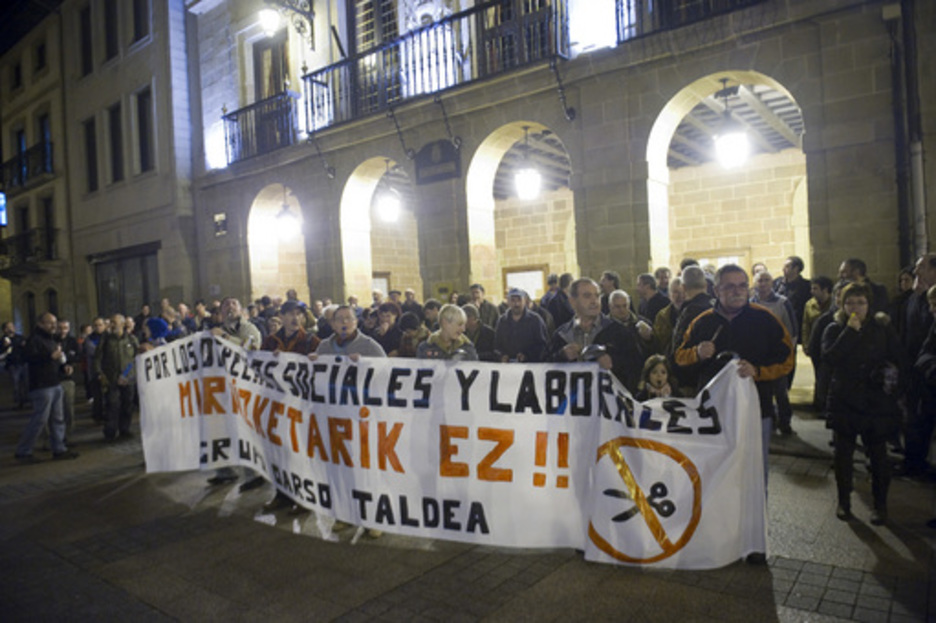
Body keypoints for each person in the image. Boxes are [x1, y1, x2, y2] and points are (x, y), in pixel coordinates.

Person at [674, 264, 794, 532]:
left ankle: (754, 533)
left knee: (753, 473)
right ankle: (718, 531)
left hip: (755, 412)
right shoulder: (702, 321)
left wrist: (759, 372)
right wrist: (696, 354)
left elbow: (787, 359)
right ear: (716, 289)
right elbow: (678, 358)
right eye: (729, 286)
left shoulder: (764, 319)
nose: (737, 291)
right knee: (714, 471)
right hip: (711, 416)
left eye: (742, 285)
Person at [822, 282, 904, 525]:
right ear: (842, 304)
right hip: (844, 399)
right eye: (850, 302)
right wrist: (850, 331)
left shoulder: (882, 328)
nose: (855, 307)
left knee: (879, 456)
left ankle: (880, 505)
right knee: (843, 456)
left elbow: (898, 356)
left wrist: (895, 388)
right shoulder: (834, 328)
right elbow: (829, 358)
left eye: (861, 302)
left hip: (875, 400)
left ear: (869, 304)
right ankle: (844, 502)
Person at [207, 297, 262, 485]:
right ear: (220, 313)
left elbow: (251, 347)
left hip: (244, 386)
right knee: (216, 429)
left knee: (245, 430)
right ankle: (224, 470)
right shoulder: (212, 331)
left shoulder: (248, 328)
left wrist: (224, 338)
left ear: (241, 310)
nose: (230, 308)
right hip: (222, 387)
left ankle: (254, 474)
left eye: (234, 304)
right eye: (225, 305)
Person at [15, 313, 78, 463]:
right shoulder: (34, 340)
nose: (54, 326)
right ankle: (24, 451)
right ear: (40, 324)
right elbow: (28, 359)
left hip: (55, 383)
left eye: (55, 323)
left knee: (58, 419)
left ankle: (59, 448)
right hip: (41, 386)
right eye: (50, 323)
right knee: (39, 420)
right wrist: (49, 357)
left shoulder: (51, 339)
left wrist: (64, 368)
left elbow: (56, 360)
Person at [751, 270, 798, 435]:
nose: (763, 284)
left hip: (777, 355)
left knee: (780, 392)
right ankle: (768, 423)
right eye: (759, 280)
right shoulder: (750, 304)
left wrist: (788, 354)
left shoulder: (782, 303)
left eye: (766, 280)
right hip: (758, 357)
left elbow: (791, 330)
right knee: (763, 394)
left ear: (772, 283)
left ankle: (785, 423)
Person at [593, 290, 655, 394]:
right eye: (617, 307)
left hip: (641, 379)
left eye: (624, 306)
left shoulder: (643, 324)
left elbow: (655, 352)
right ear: (610, 306)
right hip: (615, 381)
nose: (622, 310)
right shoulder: (602, 328)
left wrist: (649, 339)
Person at [94, 314, 140, 442]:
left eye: (114, 322)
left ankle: (124, 430)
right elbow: (97, 357)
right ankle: (110, 431)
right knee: (112, 405)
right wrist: (99, 373)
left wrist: (130, 376)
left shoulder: (131, 339)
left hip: (127, 379)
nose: (111, 325)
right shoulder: (106, 339)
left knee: (127, 405)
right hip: (111, 379)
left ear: (123, 324)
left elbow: (137, 359)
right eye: (111, 322)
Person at [548, 278, 612, 362]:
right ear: (572, 301)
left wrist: (613, 361)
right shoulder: (561, 335)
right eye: (587, 296)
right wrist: (562, 355)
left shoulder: (616, 331)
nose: (594, 301)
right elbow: (546, 366)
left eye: (597, 296)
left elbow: (631, 368)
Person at [802, 276, 834, 411]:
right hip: (816, 346)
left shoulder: (834, 304)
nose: (812, 291)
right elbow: (805, 325)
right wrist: (806, 344)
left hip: (830, 346)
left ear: (825, 289)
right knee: (818, 375)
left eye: (815, 288)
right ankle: (819, 404)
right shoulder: (810, 304)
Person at [494, 288, 548, 363]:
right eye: (513, 300)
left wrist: (527, 355)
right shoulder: (502, 321)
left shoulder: (535, 320)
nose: (516, 304)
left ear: (525, 301)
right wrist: (501, 356)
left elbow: (543, 345)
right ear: (508, 302)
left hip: (531, 366)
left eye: (519, 300)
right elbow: (496, 345)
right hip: (507, 368)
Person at [315, 306, 386, 358]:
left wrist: (363, 363)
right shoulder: (324, 346)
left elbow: (386, 369)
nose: (344, 322)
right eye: (339, 319)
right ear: (333, 324)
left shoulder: (369, 346)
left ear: (356, 322)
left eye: (349, 318)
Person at [651, 276, 685, 355]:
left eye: (682, 292)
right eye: (675, 292)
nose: (680, 296)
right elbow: (658, 341)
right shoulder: (662, 316)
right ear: (669, 294)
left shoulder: (693, 313)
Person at [1, 321, 29, 408]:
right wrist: (5, 347)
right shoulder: (2, 341)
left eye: (12, 326)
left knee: (25, 382)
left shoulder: (20, 338)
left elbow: (26, 347)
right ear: (4, 330)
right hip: (12, 364)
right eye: (8, 327)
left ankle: (25, 400)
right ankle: (18, 401)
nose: (10, 329)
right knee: (15, 383)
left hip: (23, 362)